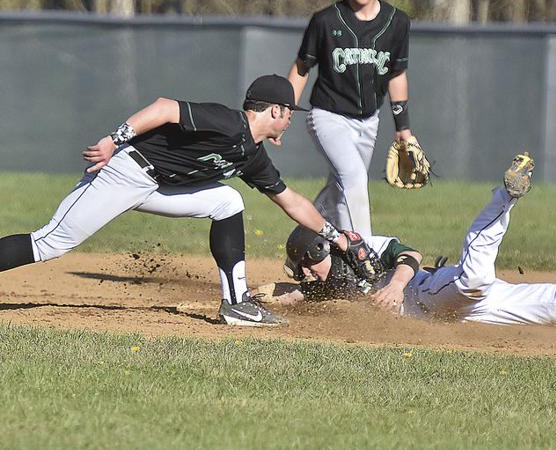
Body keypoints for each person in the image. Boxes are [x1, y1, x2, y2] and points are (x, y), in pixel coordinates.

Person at [0, 74, 375, 328]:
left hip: (155, 187)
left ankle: (236, 303)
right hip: (125, 171)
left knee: (228, 201)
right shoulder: (229, 123)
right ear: (275, 110)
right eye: (289, 112)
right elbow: (164, 107)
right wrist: (115, 139)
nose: (290, 119)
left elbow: (290, 201)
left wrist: (338, 237)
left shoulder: (252, 155)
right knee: (51, 243)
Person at [275, 153, 556, 324]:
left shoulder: (357, 250)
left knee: (474, 277)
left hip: (426, 295)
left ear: (317, 252)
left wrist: (394, 285)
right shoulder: (320, 288)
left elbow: (408, 255)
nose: (305, 275)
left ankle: (506, 195)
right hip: (462, 314)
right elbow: (287, 294)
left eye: (305, 266)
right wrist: (257, 296)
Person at [287, 0, 414, 239]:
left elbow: (396, 73)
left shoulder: (397, 22)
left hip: (369, 120)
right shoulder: (325, 20)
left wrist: (403, 126)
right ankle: (363, 255)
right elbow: (302, 67)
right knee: (354, 178)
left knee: (340, 186)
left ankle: (304, 240)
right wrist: (285, 109)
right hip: (327, 115)